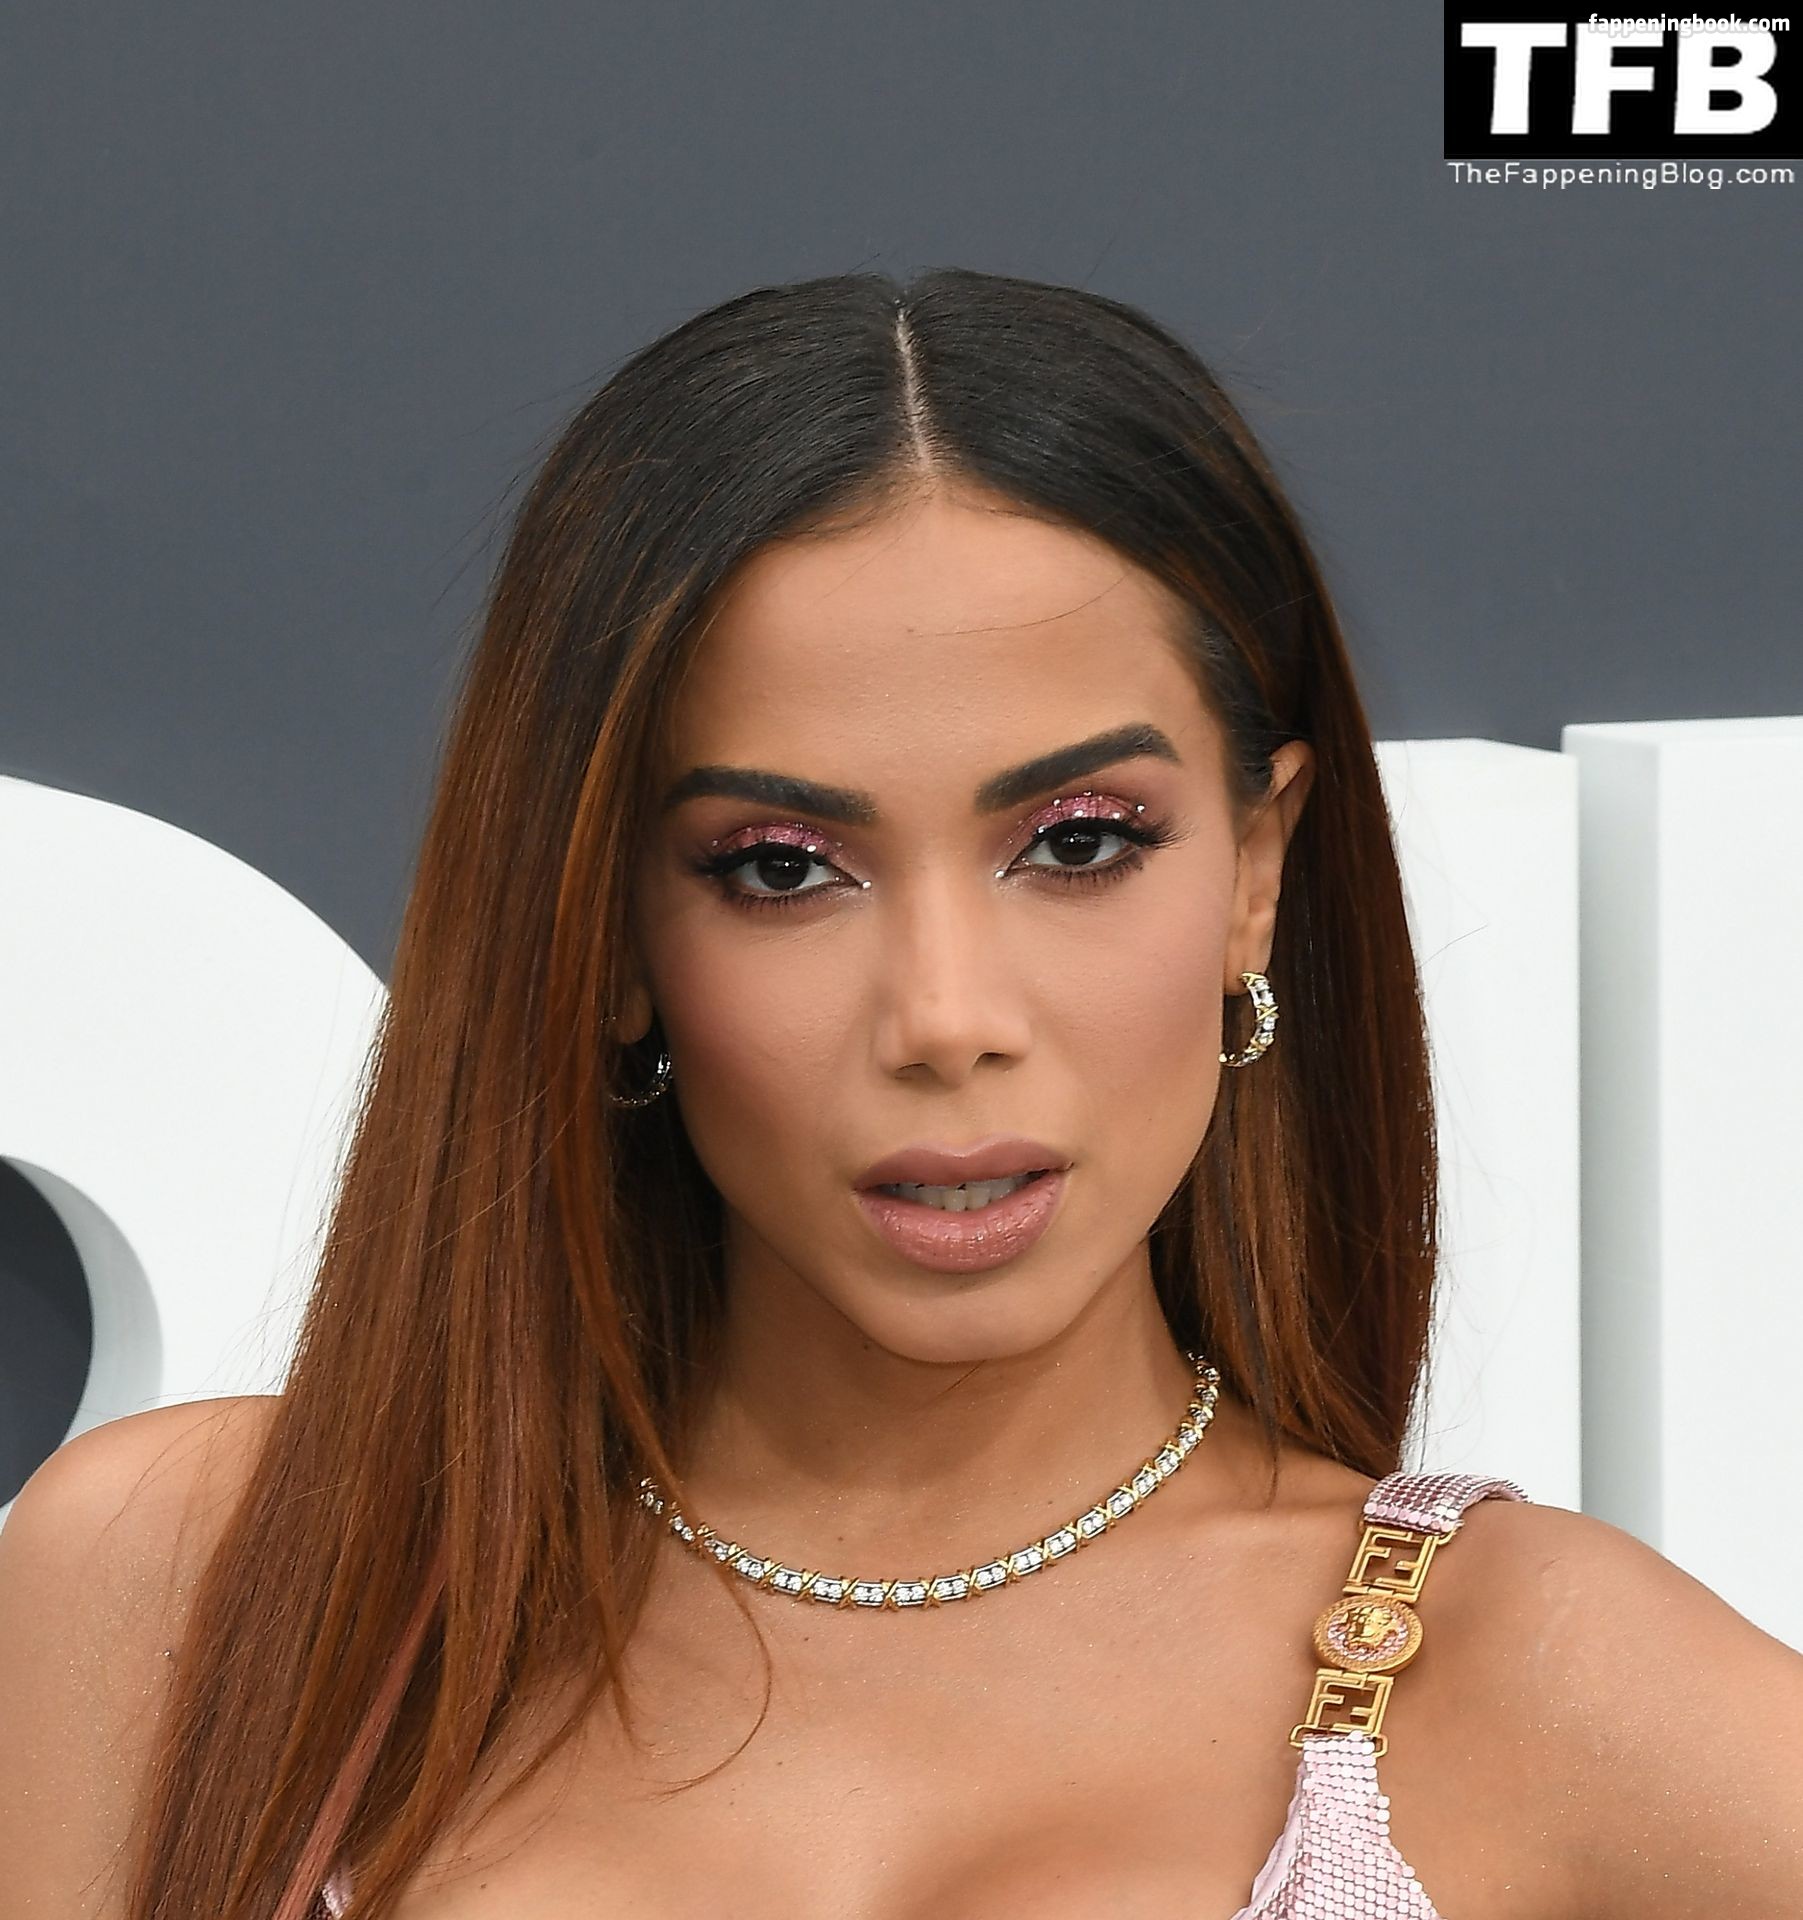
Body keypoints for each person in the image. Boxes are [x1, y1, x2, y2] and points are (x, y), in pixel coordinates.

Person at [2, 268, 1798, 1920]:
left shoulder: (1541, 1683)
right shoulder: (188, 1585)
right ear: (609, 932)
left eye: (1079, 843)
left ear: (1257, 870)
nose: (947, 1018)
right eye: (782, 868)